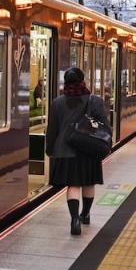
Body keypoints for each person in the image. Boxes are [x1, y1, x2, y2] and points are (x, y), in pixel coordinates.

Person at [45, 67, 110, 236]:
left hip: (66, 150)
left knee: (73, 185)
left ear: (66, 83)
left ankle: (74, 220)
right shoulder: (95, 100)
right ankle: (85, 214)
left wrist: (50, 149)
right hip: (89, 149)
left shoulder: (57, 102)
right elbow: (104, 126)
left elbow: (51, 130)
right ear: (83, 81)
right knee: (88, 183)